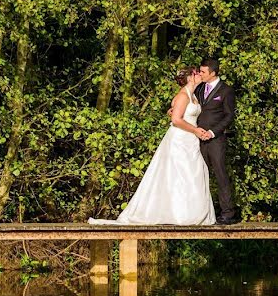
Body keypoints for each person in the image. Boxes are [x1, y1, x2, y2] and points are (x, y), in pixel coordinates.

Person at [89, 67, 216, 225]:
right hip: (180, 139)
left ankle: (190, 213)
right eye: (196, 73)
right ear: (190, 78)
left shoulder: (194, 96)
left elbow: (182, 114)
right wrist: (195, 130)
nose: (199, 75)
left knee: (191, 174)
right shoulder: (183, 95)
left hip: (190, 140)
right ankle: (180, 214)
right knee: (179, 175)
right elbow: (176, 120)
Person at [193, 59, 238, 225]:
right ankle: (202, 211)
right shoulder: (198, 88)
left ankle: (227, 212)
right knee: (199, 175)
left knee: (220, 173)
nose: (200, 74)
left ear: (213, 73)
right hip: (197, 137)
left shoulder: (226, 91)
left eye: (203, 72)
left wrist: (212, 132)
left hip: (216, 139)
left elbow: (229, 116)